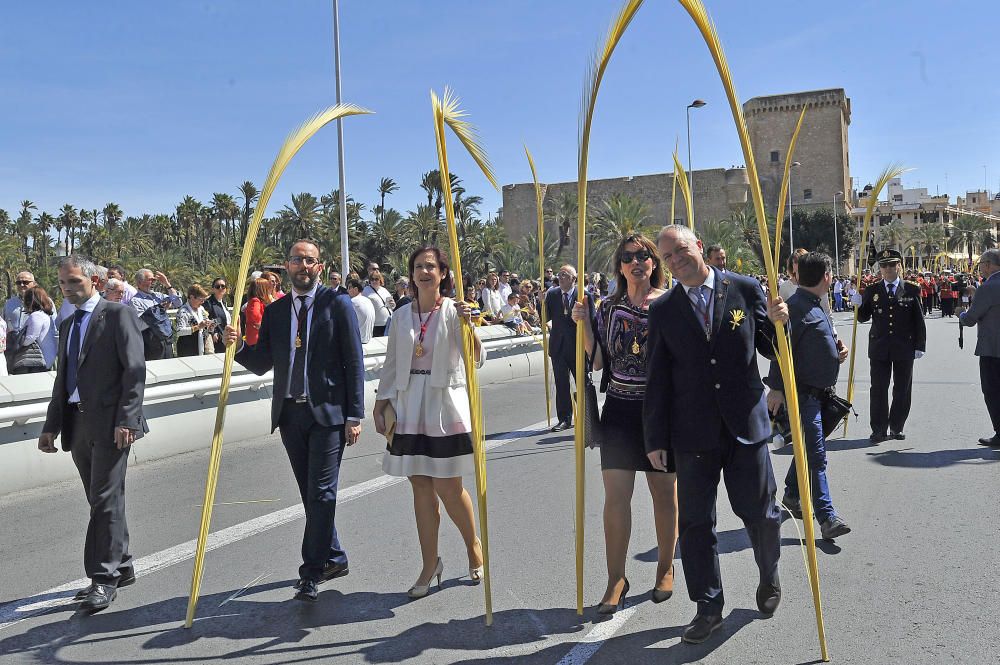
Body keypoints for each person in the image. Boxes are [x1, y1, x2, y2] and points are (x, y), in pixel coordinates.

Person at [644, 224, 788, 645]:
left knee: (761, 513)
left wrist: (781, 324)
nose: (675, 260)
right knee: (694, 523)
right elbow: (657, 379)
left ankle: (769, 575)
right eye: (667, 256)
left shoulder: (744, 288)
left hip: (745, 424)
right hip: (692, 433)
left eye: (681, 250)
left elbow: (771, 347)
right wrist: (655, 439)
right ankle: (708, 606)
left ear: (699, 247)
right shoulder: (664, 309)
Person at [224, 239, 365, 602]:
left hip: (329, 414)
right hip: (290, 414)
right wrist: (236, 347)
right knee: (311, 495)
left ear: (320, 267)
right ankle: (334, 556)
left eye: (310, 260)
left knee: (321, 492)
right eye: (297, 260)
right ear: (286, 266)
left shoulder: (338, 304)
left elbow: (354, 361)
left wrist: (355, 414)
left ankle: (311, 572)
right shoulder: (276, 312)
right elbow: (261, 362)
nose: (303, 266)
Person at [572, 233, 678, 615]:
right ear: (619, 266)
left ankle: (665, 569)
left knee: (663, 495)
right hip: (618, 409)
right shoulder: (606, 307)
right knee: (615, 498)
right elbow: (598, 360)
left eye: (645, 256)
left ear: (655, 264)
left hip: (659, 411)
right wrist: (582, 324)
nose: (637, 262)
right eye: (629, 256)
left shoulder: (668, 304)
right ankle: (616, 577)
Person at [372, 246, 485, 598]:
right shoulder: (402, 315)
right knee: (420, 486)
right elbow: (391, 362)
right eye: (418, 266)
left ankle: (472, 545)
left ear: (443, 273)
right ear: (411, 273)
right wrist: (381, 401)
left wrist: (470, 326)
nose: (424, 272)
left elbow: (475, 358)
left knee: (449, 488)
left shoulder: (455, 311)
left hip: (444, 404)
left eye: (431, 266)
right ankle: (429, 563)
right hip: (408, 405)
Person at [39, 255, 147, 612]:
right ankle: (124, 564)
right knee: (101, 499)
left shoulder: (118, 315)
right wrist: (51, 426)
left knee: (104, 499)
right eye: (63, 283)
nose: (68, 289)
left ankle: (103, 578)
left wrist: (128, 420)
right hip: (77, 423)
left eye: (74, 282)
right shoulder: (69, 324)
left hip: (112, 424)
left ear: (94, 282)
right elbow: (63, 381)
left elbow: (134, 370)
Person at [765, 253, 851, 540]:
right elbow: (781, 350)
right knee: (816, 457)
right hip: (805, 397)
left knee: (806, 450)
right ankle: (826, 517)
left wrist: (833, 352)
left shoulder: (815, 304)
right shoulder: (796, 308)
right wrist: (776, 387)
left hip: (821, 395)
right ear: (827, 277)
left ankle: (791, 495)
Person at [857, 249, 926, 443]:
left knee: (902, 388)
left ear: (899, 266)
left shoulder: (911, 289)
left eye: (891, 264)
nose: (887, 269)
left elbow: (918, 319)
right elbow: (863, 317)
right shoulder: (872, 290)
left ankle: (896, 427)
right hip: (879, 347)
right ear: (880, 268)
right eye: (883, 265)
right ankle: (878, 429)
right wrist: (857, 305)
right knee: (878, 389)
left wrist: (920, 344)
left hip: (904, 346)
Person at [959, 249, 1000, 446]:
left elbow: (970, 319)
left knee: (992, 391)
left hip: (993, 349)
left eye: (981, 263)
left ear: (989, 264)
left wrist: (961, 315)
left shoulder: (989, 286)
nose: (980, 268)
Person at [545, 265, 592, 432]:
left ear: (574, 278)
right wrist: (540, 303)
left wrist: (590, 348)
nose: (561, 277)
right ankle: (564, 418)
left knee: (583, 383)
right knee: (561, 384)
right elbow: (546, 317)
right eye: (559, 275)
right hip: (558, 347)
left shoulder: (584, 295)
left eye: (565, 275)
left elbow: (590, 322)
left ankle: (588, 419)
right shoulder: (551, 294)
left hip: (577, 347)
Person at [131, 269, 182, 360]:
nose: (153, 282)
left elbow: (178, 303)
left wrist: (167, 284)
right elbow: (140, 325)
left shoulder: (159, 296)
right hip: (151, 343)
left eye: (155, 280)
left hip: (166, 341)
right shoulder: (135, 301)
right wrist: (159, 311)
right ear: (139, 282)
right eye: (150, 280)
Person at [12, 286, 57, 373]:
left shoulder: (36, 316)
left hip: (39, 360)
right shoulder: (45, 315)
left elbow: (30, 338)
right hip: (47, 357)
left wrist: (18, 341)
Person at [4, 270, 36, 372]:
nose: (22, 285)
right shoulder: (9, 303)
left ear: (34, 283)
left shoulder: (43, 301)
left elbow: (54, 330)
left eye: (26, 282)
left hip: (35, 353)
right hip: (13, 351)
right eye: (18, 282)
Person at [176, 284, 214, 357]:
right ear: (192, 297)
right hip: (188, 348)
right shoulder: (183, 311)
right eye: (201, 300)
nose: (202, 302)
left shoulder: (201, 309)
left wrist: (210, 326)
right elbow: (179, 331)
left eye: (204, 300)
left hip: (202, 346)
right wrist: (198, 327)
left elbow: (205, 324)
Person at [244, 277, 275, 347]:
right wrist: (264, 324)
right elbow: (255, 315)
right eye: (267, 288)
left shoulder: (256, 301)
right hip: (256, 339)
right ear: (262, 289)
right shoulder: (255, 301)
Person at [204, 278, 232, 352]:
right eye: (217, 286)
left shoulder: (223, 302)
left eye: (223, 286)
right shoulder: (208, 303)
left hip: (226, 338)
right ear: (213, 289)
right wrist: (213, 332)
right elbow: (205, 319)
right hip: (217, 340)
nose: (220, 288)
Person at [363, 271, 394, 337]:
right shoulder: (366, 290)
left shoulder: (384, 290)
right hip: (376, 325)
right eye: (372, 279)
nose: (374, 281)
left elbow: (391, 306)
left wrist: (393, 304)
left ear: (380, 280)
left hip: (388, 322)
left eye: (376, 279)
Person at [347, 278, 375, 344]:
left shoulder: (353, 302)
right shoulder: (368, 301)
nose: (347, 290)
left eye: (349, 287)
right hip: (368, 339)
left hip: (357, 341)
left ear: (356, 289)